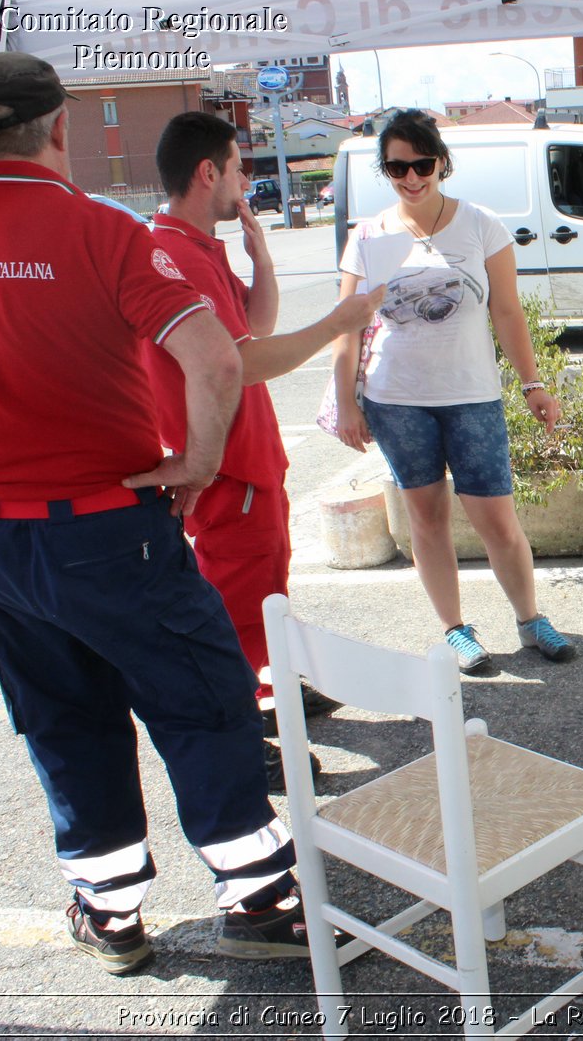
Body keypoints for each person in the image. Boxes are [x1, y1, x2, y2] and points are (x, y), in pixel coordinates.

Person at [0, 53, 313, 976]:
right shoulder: (101, 233)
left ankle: (110, 910)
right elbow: (220, 361)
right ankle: (260, 898)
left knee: (62, 717)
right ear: (60, 127)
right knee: (200, 697)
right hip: (112, 527)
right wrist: (193, 462)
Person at [146, 112, 381, 772]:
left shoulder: (197, 245)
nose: (249, 180)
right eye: (240, 166)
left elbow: (253, 325)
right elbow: (240, 362)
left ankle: (267, 689)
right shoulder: (172, 253)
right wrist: (338, 320)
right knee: (236, 604)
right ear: (208, 172)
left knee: (262, 590)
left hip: (246, 460)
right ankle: (242, 735)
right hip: (226, 468)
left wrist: (263, 260)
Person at [331, 108, 576, 675]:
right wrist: (348, 401)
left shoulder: (481, 225)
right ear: (385, 170)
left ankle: (530, 618)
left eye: (422, 164)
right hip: (396, 400)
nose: (411, 178)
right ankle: (455, 630)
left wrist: (532, 383)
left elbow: (507, 310)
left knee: (497, 519)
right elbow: (348, 325)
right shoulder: (368, 236)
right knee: (427, 518)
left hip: (472, 395)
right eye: (397, 168)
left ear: (442, 162)